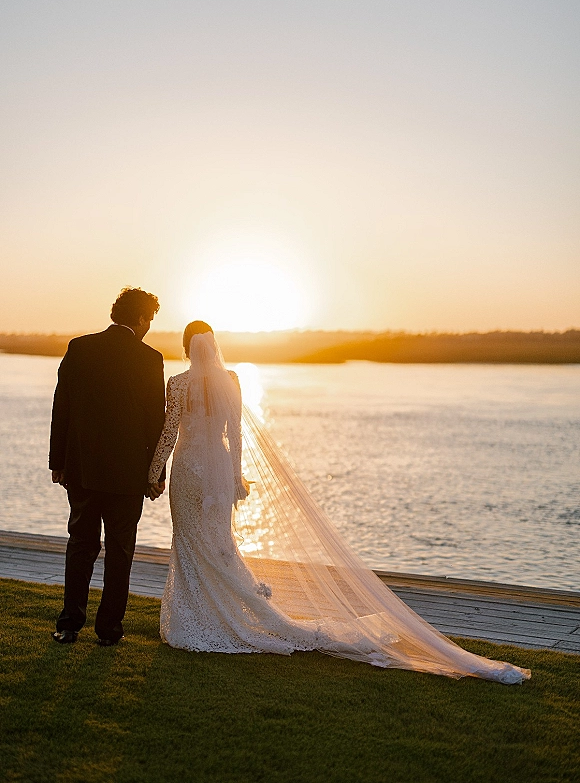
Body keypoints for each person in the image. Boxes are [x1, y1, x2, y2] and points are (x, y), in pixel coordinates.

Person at [148, 322, 530, 684]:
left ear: (185, 347)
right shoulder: (230, 380)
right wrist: (235, 477)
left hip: (186, 470)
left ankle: (198, 617)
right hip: (216, 468)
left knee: (190, 541)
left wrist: (153, 472)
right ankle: (222, 615)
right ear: (214, 347)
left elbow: (168, 432)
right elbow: (235, 433)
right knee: (221, 546)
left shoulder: (178, 384)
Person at [49, 287, 166, 646]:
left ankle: (69, 625)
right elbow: (155, 422)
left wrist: (58, 463)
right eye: (150, 320)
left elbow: (62, 408)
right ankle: (109, 630)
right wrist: (156, 473)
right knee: (120, 552)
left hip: (82, 471)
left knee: (81, 545)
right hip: (128, 476)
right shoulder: (150, 358)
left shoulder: (79, 347)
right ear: (143, 319)